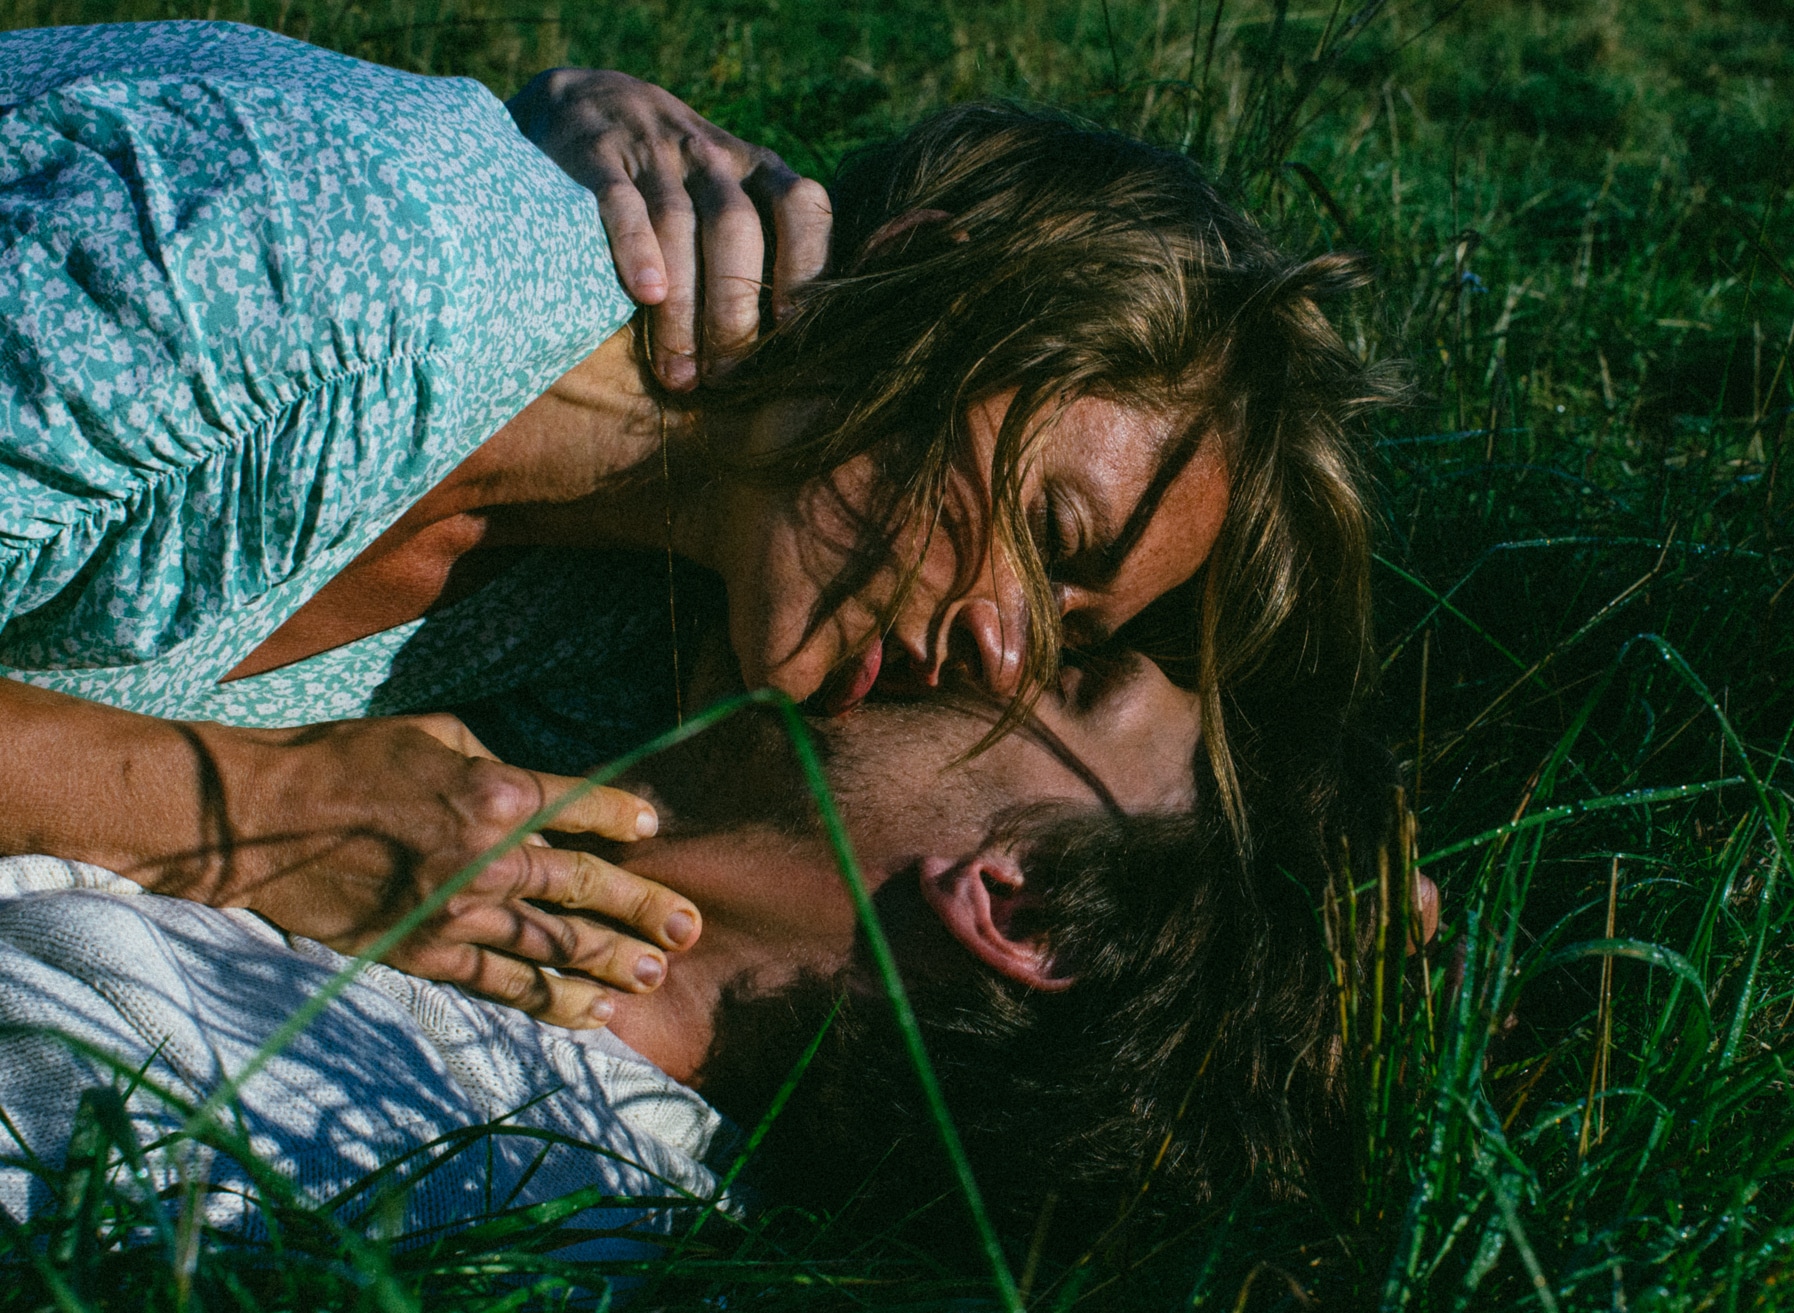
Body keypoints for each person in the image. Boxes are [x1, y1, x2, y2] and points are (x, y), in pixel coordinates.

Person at [0, 22, 1395, 1024]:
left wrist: (1321, 925)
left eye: (1072, 636)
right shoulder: (329, 266)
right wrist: (243, 813)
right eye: (1049, 530)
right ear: (928, 292)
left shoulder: (632, 630)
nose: (1002, 653)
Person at [0, 642, 1430, 1250]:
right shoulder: (515, 802)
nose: (995, 639)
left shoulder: (390, 1151)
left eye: (1067, 679)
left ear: (1020, 902)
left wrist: (227, 803)